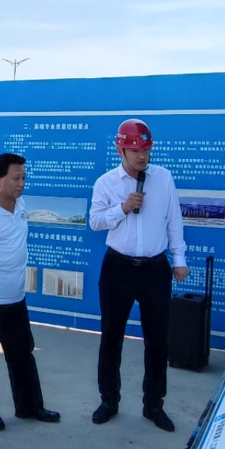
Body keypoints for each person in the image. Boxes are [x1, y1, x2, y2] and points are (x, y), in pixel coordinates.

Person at [89, 119, 189, 432]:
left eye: (145, 149)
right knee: (111, 337)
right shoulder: (106, 182)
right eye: (134, 150)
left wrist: (179, 260)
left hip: (155, 269)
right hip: (118, 268)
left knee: (158, 340)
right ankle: (109, 400)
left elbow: (174, 221)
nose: (141, 155)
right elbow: (95, 222)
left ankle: (154, 405)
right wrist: (122, 207)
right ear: (120, 149)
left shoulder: (163, 178)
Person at [0, 153, 60, 430]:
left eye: (24, 178)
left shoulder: (20, 204)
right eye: (16, 178)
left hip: (15, 297)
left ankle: (30, 407)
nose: (21, 184)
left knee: (22, 353)